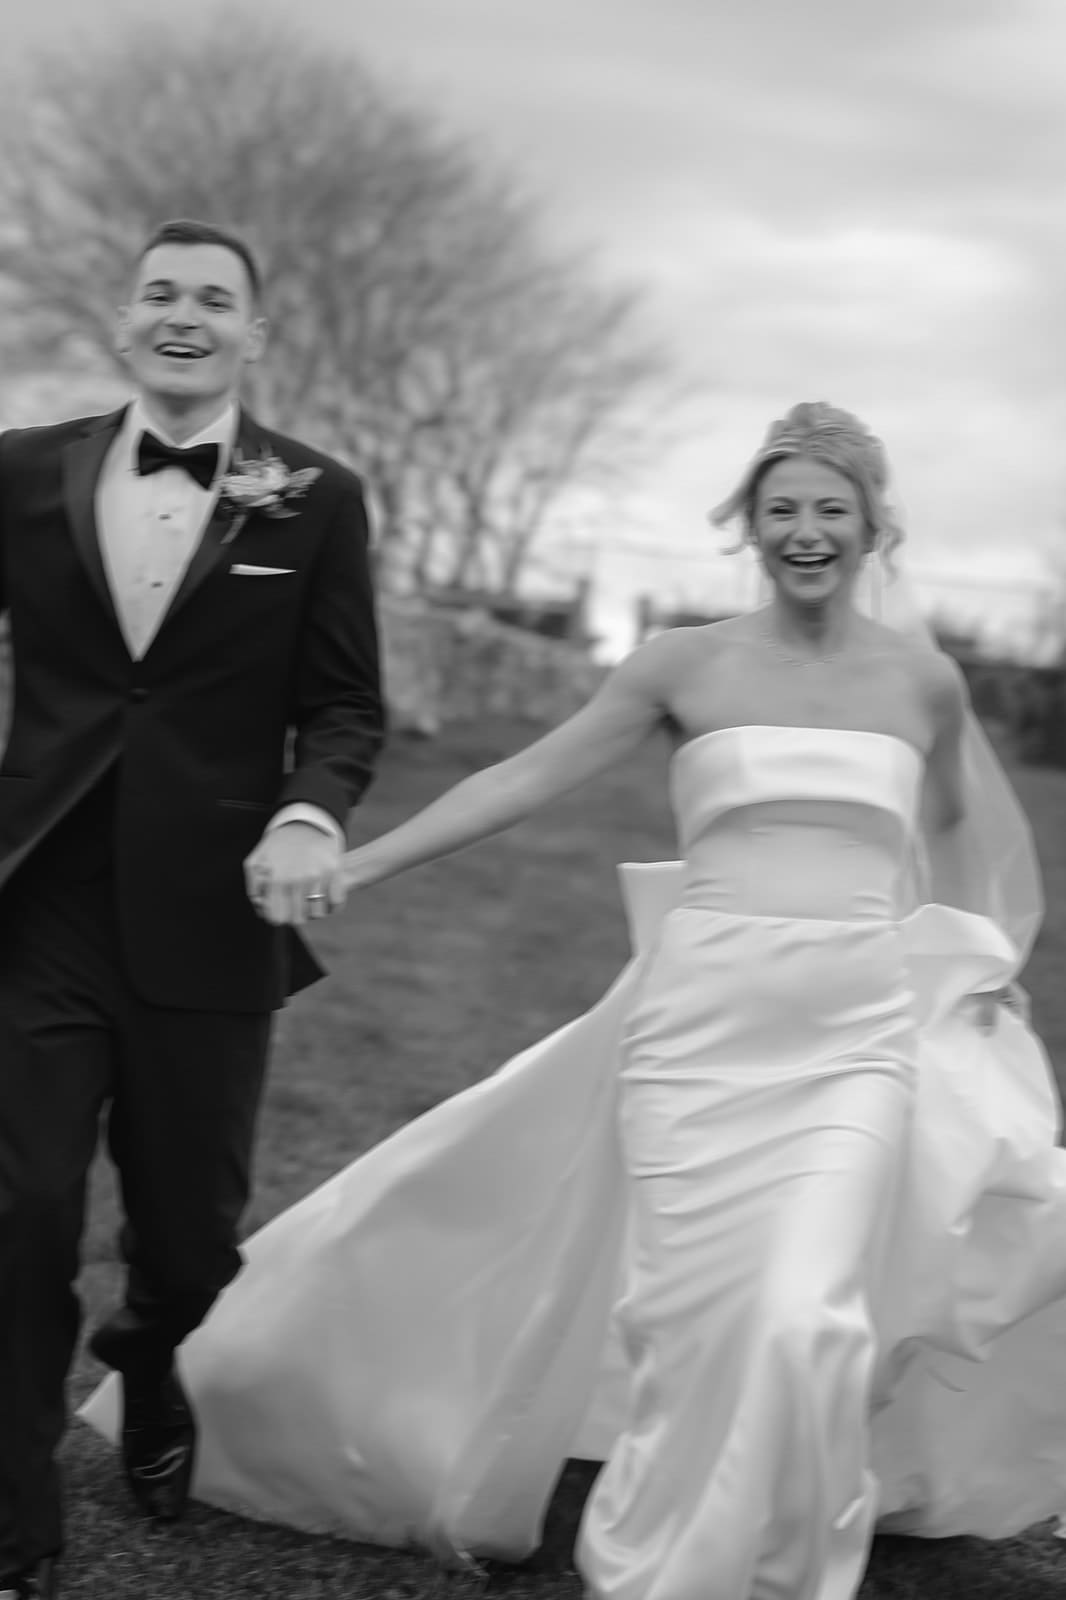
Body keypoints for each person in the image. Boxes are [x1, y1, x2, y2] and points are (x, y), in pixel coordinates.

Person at [83, 403, 1066, 1600]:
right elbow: (522, 779)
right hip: (698, 1031)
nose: (805, 532)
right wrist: (360, 859)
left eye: (830, 510)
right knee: (692, 1319)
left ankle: (781, 1564)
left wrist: (967, 976)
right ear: (747, 526)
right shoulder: (681, 665)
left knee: (809, 1316)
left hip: (850, 1046)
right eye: (782, 509)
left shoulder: (925, 683)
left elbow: (956, 849)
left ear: (872, 526)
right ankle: (656, 1557)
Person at [0, 218, 385, 1599]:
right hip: (38, 897)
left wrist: (305, 809)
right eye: (159, 293)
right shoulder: (23, 472)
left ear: (252, 336)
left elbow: (345, 705)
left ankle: (153, 1355)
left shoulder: (317, 496)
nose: (184, 314)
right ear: (122, 325)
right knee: (23, 1205)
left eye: (212, 300)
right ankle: (15, 1500)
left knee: (190, 1235)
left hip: (213, 918)